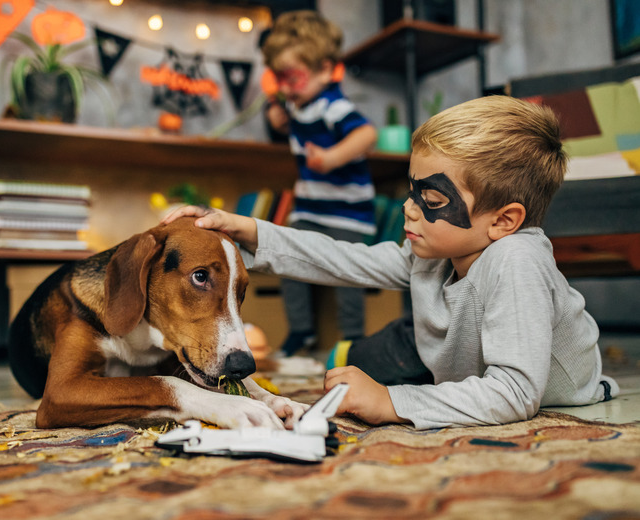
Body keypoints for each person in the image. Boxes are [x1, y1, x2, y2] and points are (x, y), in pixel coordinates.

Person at [163, 95, 619, 429]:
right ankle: (361, 353)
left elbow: (517, 394)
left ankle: (389, 363)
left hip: (541, 386)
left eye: (433, 198)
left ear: (504, 221)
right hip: (452, 351)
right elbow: (347, 260)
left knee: (385, 380)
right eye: (412, 190)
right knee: (362, 361)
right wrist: (252, 230)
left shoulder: (517, 262)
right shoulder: (435, 252)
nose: (409, 208)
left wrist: (392, 402)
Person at [261, 10, 378, 355]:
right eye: (278, 78)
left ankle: (353, 337)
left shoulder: (333, 106)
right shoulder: (301, 106)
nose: (284, 88)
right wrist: (280, 122)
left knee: (348, 275)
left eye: (292, 78)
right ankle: (302, 331)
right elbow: (297, 127)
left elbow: (367, 133)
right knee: (287, 260)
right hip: (310, 209)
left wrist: (331, 158)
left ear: (325, 69)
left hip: (346, 213)